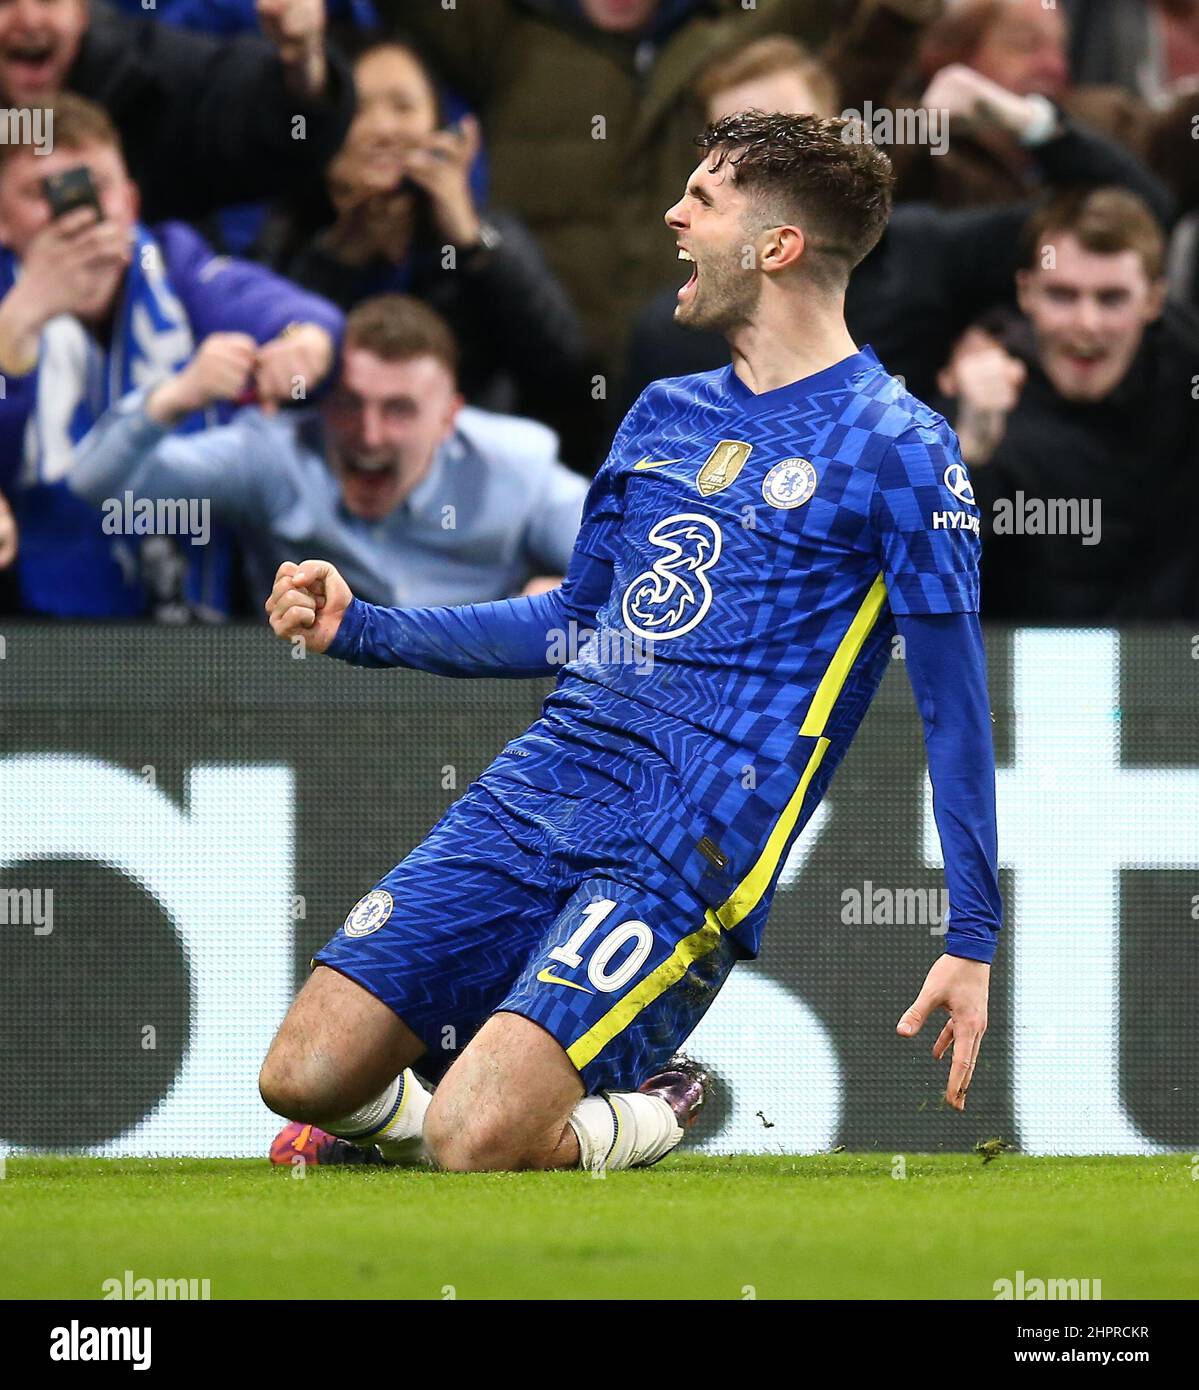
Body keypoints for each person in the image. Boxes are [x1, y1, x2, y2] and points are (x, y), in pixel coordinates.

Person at [257, 111, 1001, 1176]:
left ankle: (646, 1110)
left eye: (702, 198)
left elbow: (951, 709)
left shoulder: (900, 452)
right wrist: (360, 626)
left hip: (688, 837)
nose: (673, 214)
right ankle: (430, 1129)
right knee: (302, 1073)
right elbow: (574, 627)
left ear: (774, 246)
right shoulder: (660, 413)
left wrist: (967, 936)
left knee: (478, 1142)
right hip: (548, 781)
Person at [372, 0, 946, 373]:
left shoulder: (731, 34)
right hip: (533, 364)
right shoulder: (506, 32)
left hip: (693, 354)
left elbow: (858, 46)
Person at [621, 35, 1174, 411]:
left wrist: (1023, 120)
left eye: (788, 134)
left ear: (836, 132)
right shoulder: (671, 331)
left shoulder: (923, 254)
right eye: (738, 148)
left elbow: (1137, 215)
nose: (768, 164)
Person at [0, 94, 343, 619]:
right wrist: (17, 324)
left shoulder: (175, 264)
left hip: (193, 618)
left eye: (95, 187)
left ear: (132, 202)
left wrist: (302, 344)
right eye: (42, 194)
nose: (76, 216)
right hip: (32, 624)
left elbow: (293, 314)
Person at [69, 296, 587, 608]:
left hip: (477, 709)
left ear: (449, 416)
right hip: (310, 700)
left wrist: (567, 597)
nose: (370, 434)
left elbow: (643, 560)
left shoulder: (516, 466)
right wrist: (176, 396)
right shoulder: (274, 455)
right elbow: (100, 488)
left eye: (400, 410)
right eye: (350, 403)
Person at [271, 39, 592, 450]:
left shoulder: (488, 234)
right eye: (360, 108)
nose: (384, 129)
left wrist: (471, 240)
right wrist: (340, 255)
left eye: (404, 107)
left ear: (439, 126)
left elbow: (561, 367)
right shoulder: (289, 229)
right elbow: (274, 374)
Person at [938, 188, 1199, 622]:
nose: (1086, 324)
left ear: (1154, 301)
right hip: (1025, 670)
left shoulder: (1185, 380)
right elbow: (925, 581)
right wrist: (970, 453)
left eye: (1111, 298)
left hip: (1175, 672)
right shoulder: (976, 406)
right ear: (1026, 294)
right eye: (1062, 295)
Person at [0, 0, 355, 224]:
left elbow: (292, 130)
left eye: (48, 1)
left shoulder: (142, 75)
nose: (29, 19)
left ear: (81, 11)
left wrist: (303, 65)